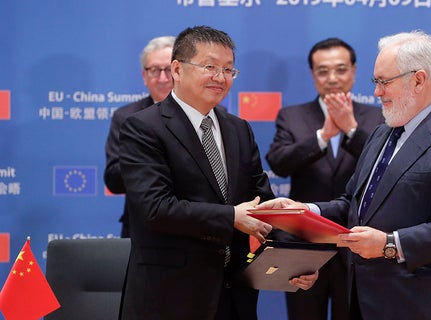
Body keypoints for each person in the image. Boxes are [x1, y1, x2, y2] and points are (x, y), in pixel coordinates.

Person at [257, 30, 431, 319]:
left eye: (384, 82)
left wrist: (390, 244)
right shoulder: (383, 133)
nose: (377, 92)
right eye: (376, 82)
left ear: (418, 79)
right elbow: (353, 205)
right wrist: (304, 209)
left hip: (425, 303)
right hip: (366, 298)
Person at [117, 25, 317, 320]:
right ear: (177, 69)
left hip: (235, 295)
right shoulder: (143, 128)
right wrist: (232, 218)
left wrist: (294, 263)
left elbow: (260, 204)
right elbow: (154, 209)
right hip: (170, 297)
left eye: (229, 70)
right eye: (210, 67)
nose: (221, 78)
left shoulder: (239, 128)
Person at [265, 38, 384, 320]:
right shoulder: (292, 116)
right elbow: (278, 163)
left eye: (340, 70)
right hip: (303, 246)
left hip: (357, 244)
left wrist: (351, 130)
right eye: (323, 71)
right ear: (313, 75)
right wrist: (323, 137)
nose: (332, 79)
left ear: (354, 71)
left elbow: (384, 167)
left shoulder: (377, 116)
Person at [104, 35, 175, 237]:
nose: (162, 78)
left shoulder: (207, 115)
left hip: (196, 228)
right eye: (154, 70)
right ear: (144, 76)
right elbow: (113, 179)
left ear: (180, 72)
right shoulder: (126, 118)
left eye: (168, 70)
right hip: (141, 229)